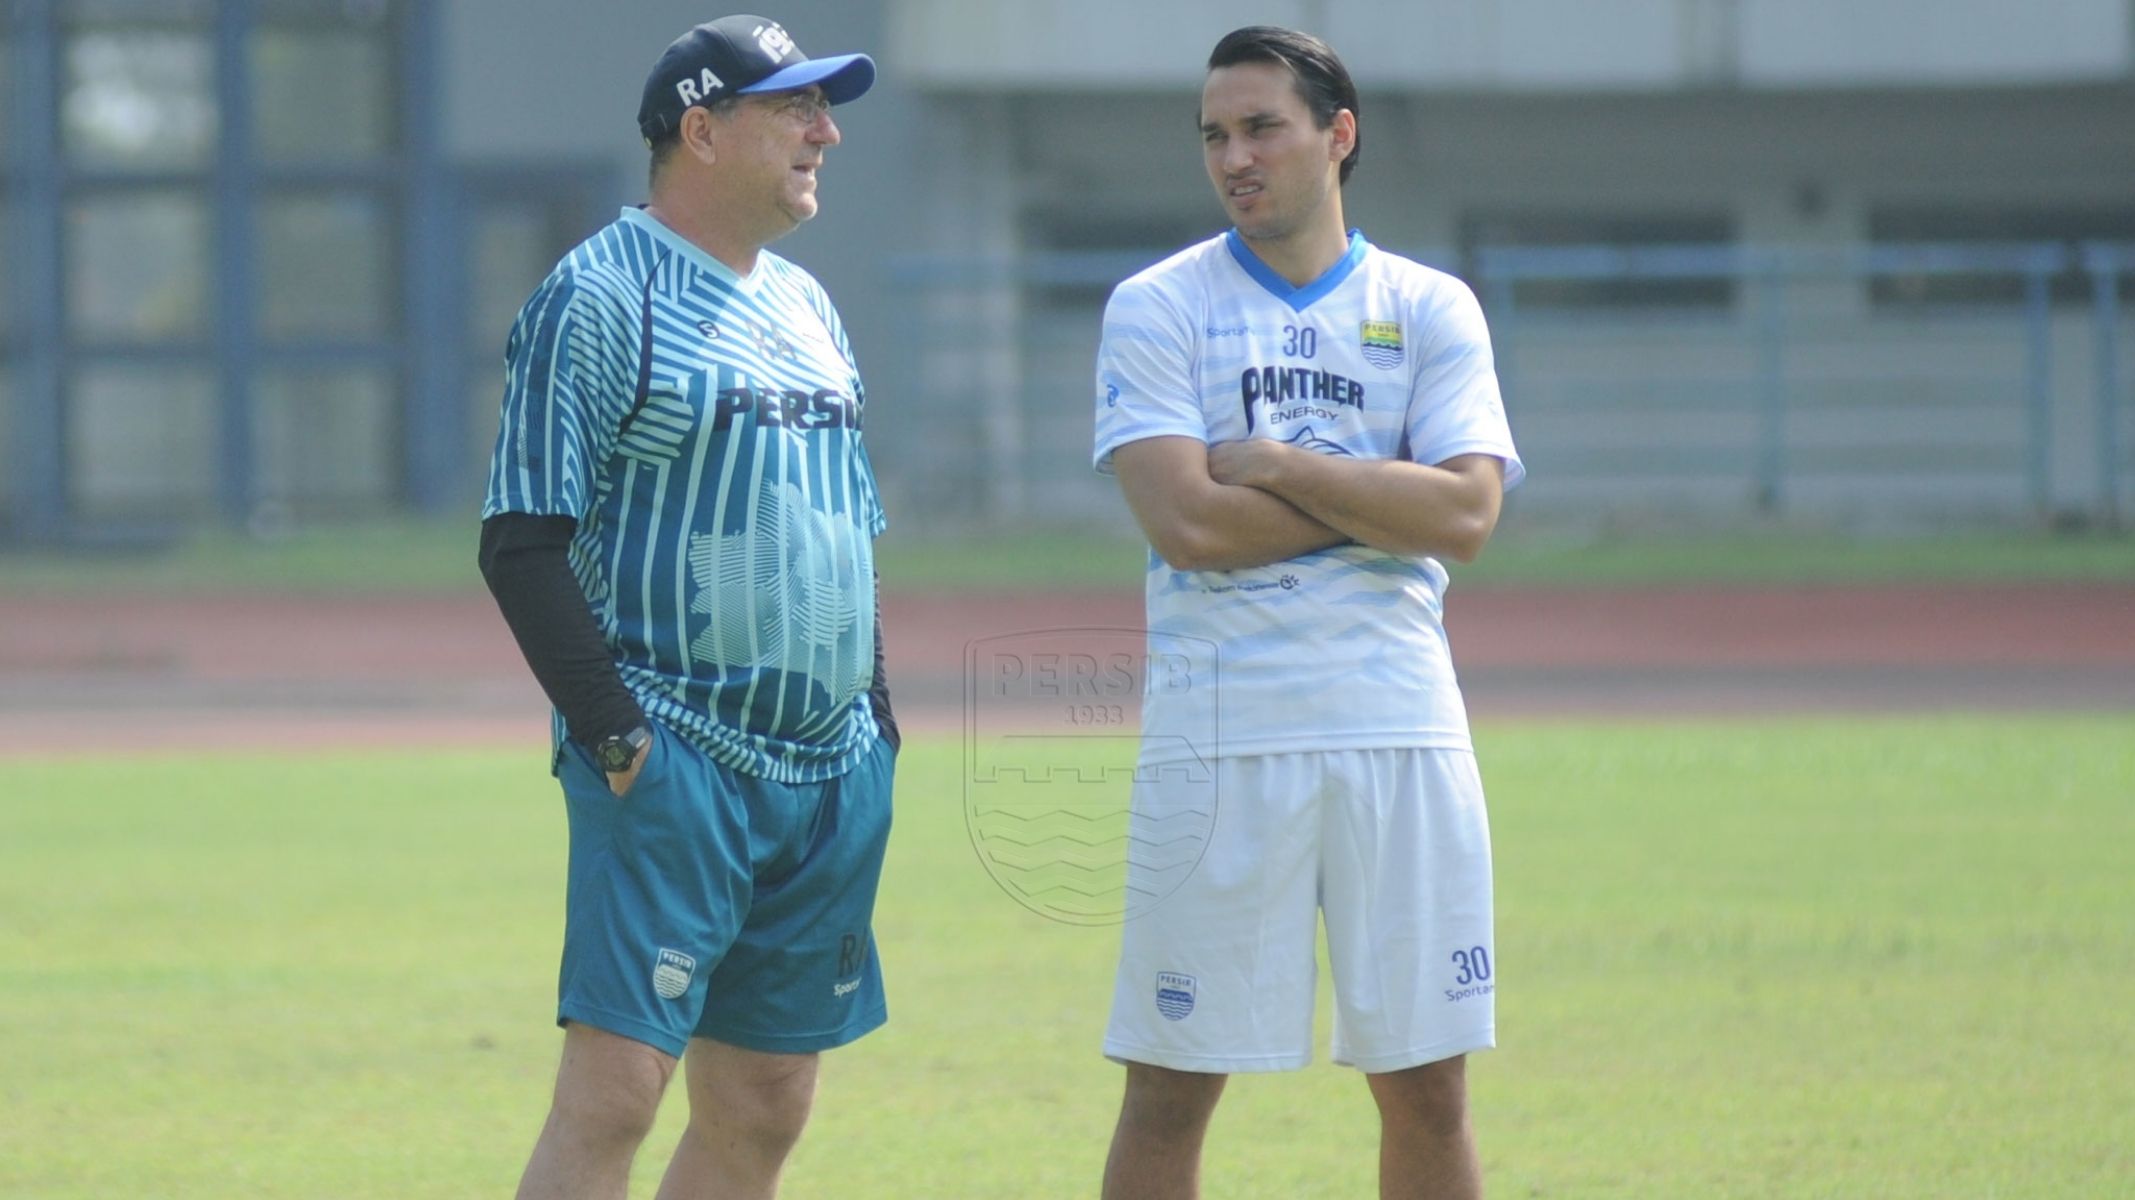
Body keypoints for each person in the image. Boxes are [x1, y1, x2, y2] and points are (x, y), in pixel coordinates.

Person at [1091, 25, 1525, 1200]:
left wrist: (1281, 466)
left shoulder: (1428, 306)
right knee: (1168, 1087)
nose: (1233, 157)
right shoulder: (1156, 305)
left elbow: (1466, 516)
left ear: (1337, 135)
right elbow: (1187, 526)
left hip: (1400, 732)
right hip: (1218, 741)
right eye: (1213, 136)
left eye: (1260, 128)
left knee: (1427, 1090)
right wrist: (1388, 497)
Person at [476, 16, 897, 1199]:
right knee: (614, 1095)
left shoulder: (809, 304)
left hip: (829, 770)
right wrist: (619, 739)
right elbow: (521, 540)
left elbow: (847, 522)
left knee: (766, 1105)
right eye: (794, 109)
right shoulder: (599, 293)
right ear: (701, 132)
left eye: (824, 109)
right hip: (674, 750)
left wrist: (875, 719)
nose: (824, 134)